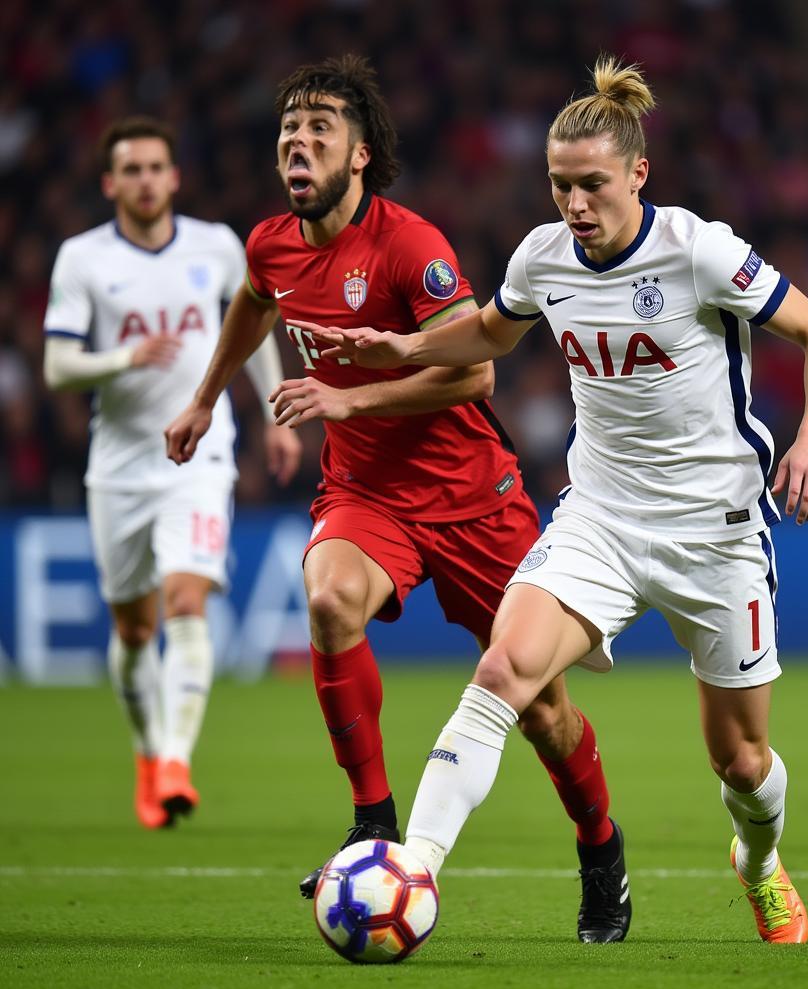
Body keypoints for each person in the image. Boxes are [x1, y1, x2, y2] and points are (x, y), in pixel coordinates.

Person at [299, 56, 808, 945]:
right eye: (560, 185)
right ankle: (414, 870)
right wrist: (396, 350)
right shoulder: (543, 255)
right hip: (599, 518)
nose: (575, 204)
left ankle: (759, 862)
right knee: (503, 671)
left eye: (592, 184)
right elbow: (488, 332)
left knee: (741, 762)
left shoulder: (698, 248)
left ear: (638, 173)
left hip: (715, 531)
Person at [164, 56, 630, 944]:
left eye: (319, 133)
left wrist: (348, 398)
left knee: (541, 710)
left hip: (472, 498)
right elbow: (252, 304)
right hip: (366, 493)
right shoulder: (270, 244)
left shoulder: (410, 246)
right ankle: (374, 822)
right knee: (330, 596)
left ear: (361, 155)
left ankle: (600, 846)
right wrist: (203, 395)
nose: (297, 146)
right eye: (288, 134)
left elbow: (475, 372)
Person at [43, 116, 301, 830]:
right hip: (120, 465)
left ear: (174, 176)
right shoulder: (83, 259)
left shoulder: (216, 247)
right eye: (131, 170)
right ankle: (147, 752)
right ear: (110, 183)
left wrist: (275, 412)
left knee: (188, 601)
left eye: (156, 167)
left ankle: (177, 761)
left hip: (199, 454)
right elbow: (58, 366)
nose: (146, 180)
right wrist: (121, 359)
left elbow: (251, 325)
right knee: (132, 631)